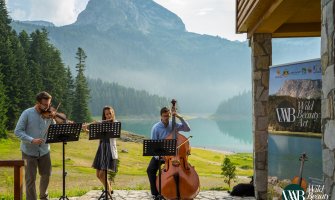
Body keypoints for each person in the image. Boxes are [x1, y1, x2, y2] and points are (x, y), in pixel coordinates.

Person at [14, 91, 54, 200]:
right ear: (38, 103)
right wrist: (32, 140)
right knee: (30, 179)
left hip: (45, 150)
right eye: (45, 105)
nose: (47, 107)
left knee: (46, 175)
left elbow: (53, 130)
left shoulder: (49, 115)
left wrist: (55, 120)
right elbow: (18, 131)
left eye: (49, 104)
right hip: (29, 151)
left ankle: (43, 196)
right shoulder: (27, 113)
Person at [146, 106, 191, 199]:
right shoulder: (156, 128)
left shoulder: (173, 124)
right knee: (150, 170)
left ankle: (182, 190)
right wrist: (160, 157)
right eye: (164, 116)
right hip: (161, 155)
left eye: (168, 116)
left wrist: (179, 116)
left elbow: (187, 129)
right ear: (161, 116)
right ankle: (155, 193)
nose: (166, 118)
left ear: (170, 115)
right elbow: (154, 146)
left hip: (176, 156)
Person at [91, 106, 118, 196]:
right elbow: (97, 136)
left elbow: (113, 135)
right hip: (102, 149)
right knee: (98, 174)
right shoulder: (102, 124)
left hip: (109, 149)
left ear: (113, 113)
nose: (109, 115)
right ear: (104, 115)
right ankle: (109, 188)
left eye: (110, 113)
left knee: (102, 173)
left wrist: (102, 124)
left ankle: (108, 193)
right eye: (106, 114)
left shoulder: (115, 123)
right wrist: (87, 129)